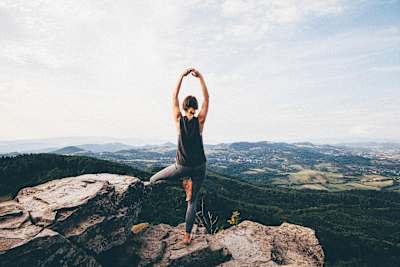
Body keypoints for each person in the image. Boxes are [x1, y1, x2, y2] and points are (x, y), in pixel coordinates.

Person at [146, 67, 209, 245]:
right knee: (192, 202)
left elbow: (173, 96)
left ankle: (183, 181)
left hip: (181, 166)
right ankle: (187, 236)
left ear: (184, 107)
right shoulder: (200, 121)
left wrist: (181, 76)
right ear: (195, 108)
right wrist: (201, 78)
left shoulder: (178, 120)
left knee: (153, 180)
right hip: (200, 167)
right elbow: (207, 98)